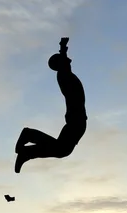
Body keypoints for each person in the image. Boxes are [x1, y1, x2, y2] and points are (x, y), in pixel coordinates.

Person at [14, 37, 87, 173]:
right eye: (65, 60)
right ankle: (28, 137)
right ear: (60, 64)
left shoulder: (65, 74)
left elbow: (64, 62)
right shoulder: (64, 75)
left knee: (61, 149)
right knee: (62, 150)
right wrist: (63, 46)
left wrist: (63, 48)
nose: (70, 61)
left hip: (76, 120)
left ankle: (28, 149)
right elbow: (64, 62)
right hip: (76, 120)